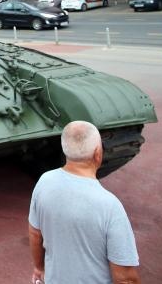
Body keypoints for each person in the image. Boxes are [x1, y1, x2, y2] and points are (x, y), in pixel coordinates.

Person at [28, 121, 141, 284]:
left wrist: (39, 268)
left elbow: (35, 233)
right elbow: (125, 278)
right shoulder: (109, 205)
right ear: (97, 153)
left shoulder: (44, 182)